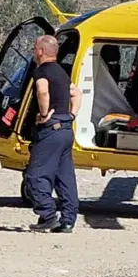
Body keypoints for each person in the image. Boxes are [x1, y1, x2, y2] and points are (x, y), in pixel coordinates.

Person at [24, 35, 81, 233]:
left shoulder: (41, 71)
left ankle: (48, 215)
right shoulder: (62, 72)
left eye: (34, 48)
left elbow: (42, 91)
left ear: (40, 51)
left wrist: (43, 114)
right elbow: (76, 93)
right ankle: (68, 219)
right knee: (64, 176)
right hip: (66, 129)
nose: (33, 52)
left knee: (35, 175)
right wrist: (72, 114)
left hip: (51, 130)